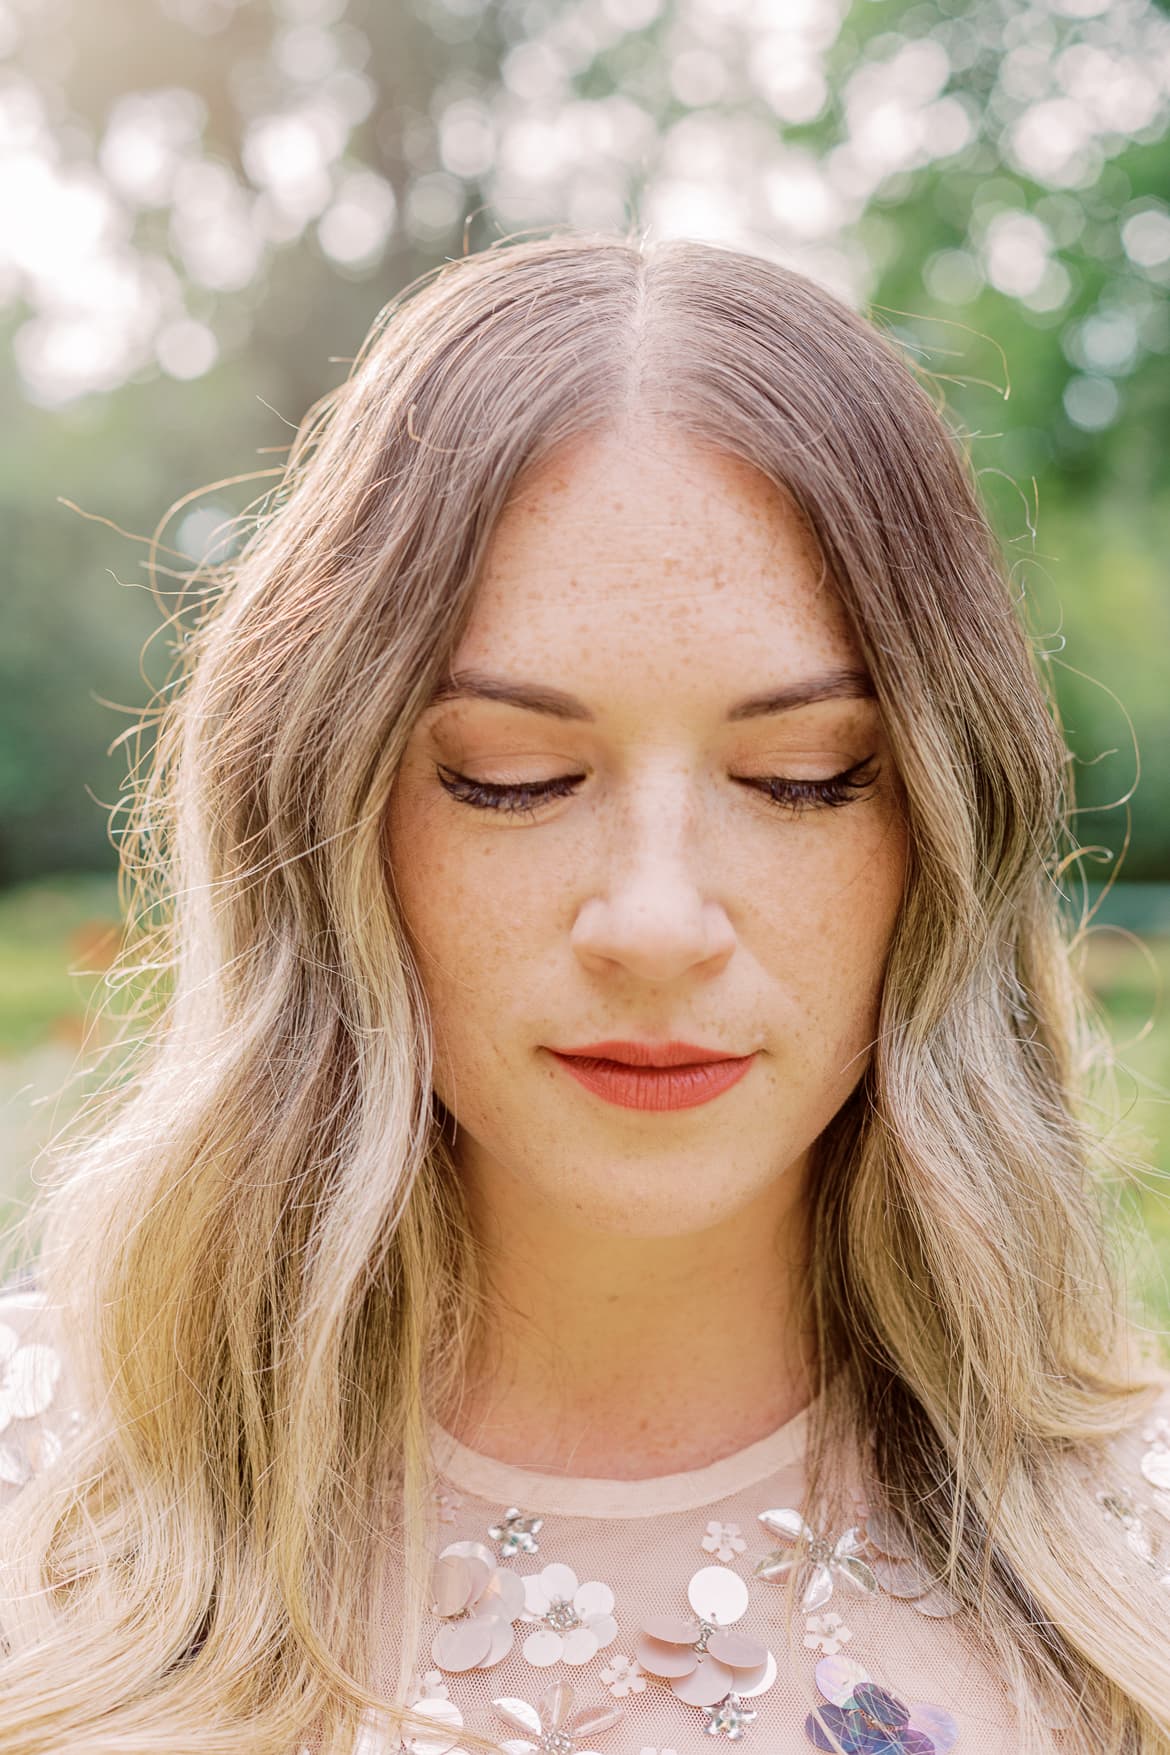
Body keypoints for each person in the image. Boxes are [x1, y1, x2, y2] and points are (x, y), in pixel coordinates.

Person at [0, 231, 1167, 1755]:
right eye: (514, 778)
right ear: (329, 813)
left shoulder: (1131, 1568)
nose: (657, 921)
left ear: (942, 828)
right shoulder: (40, 1484)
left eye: (801, 779)